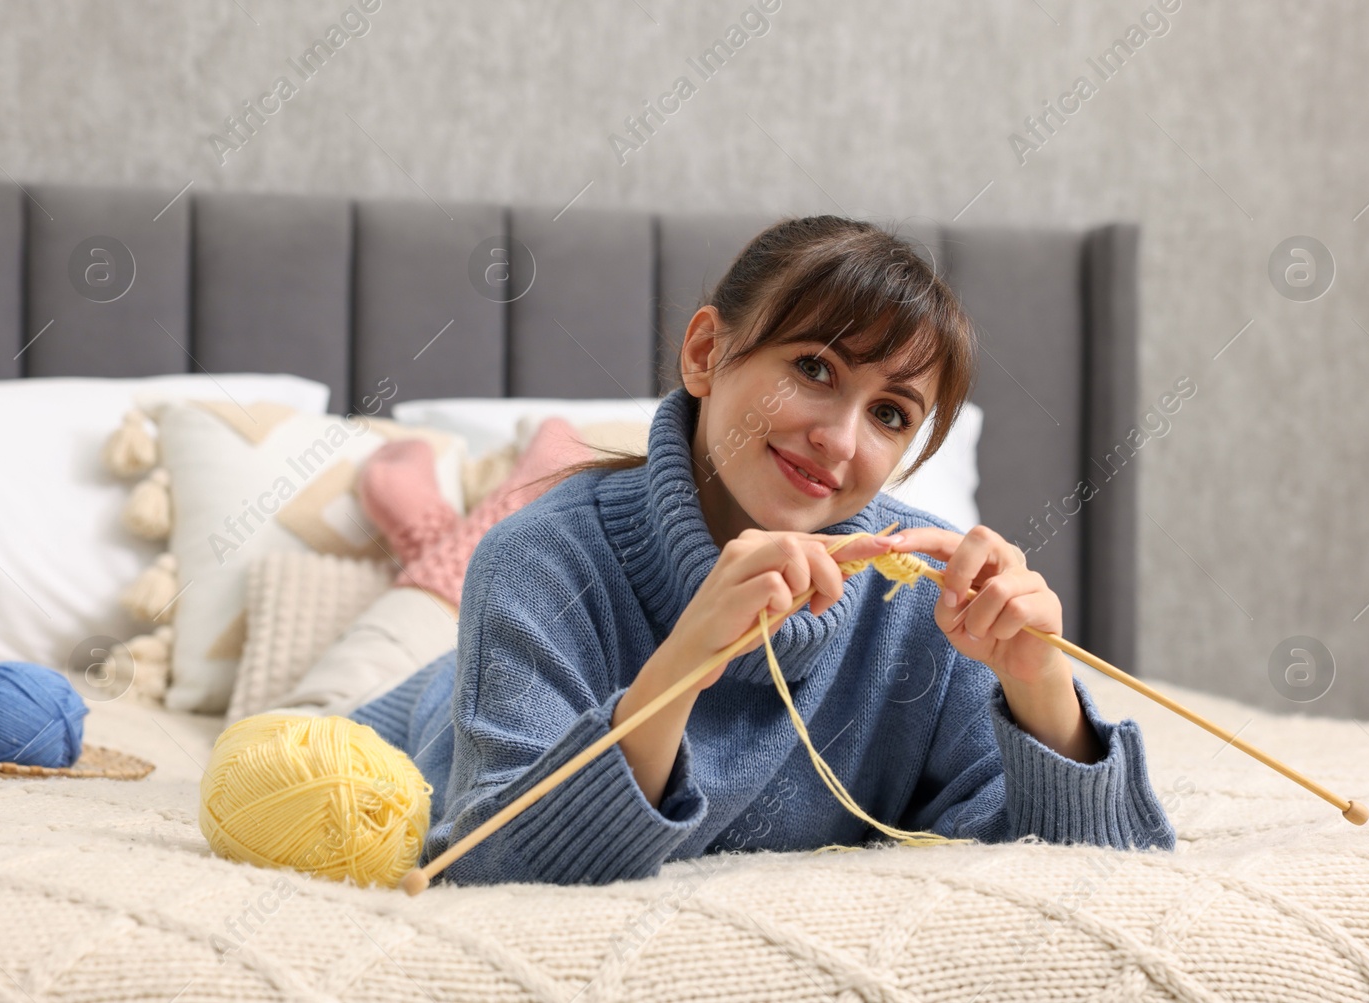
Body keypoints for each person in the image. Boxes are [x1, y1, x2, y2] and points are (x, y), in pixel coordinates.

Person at [347, 214, 1177, 887]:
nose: (838, 440)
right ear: (706, 352)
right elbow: (485, 867)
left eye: (890, 414)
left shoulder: (924, 602)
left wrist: (1042, 690)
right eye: (814, 367)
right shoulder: (536, 561)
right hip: (429, 722)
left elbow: (1106, 875)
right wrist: (682, 665)